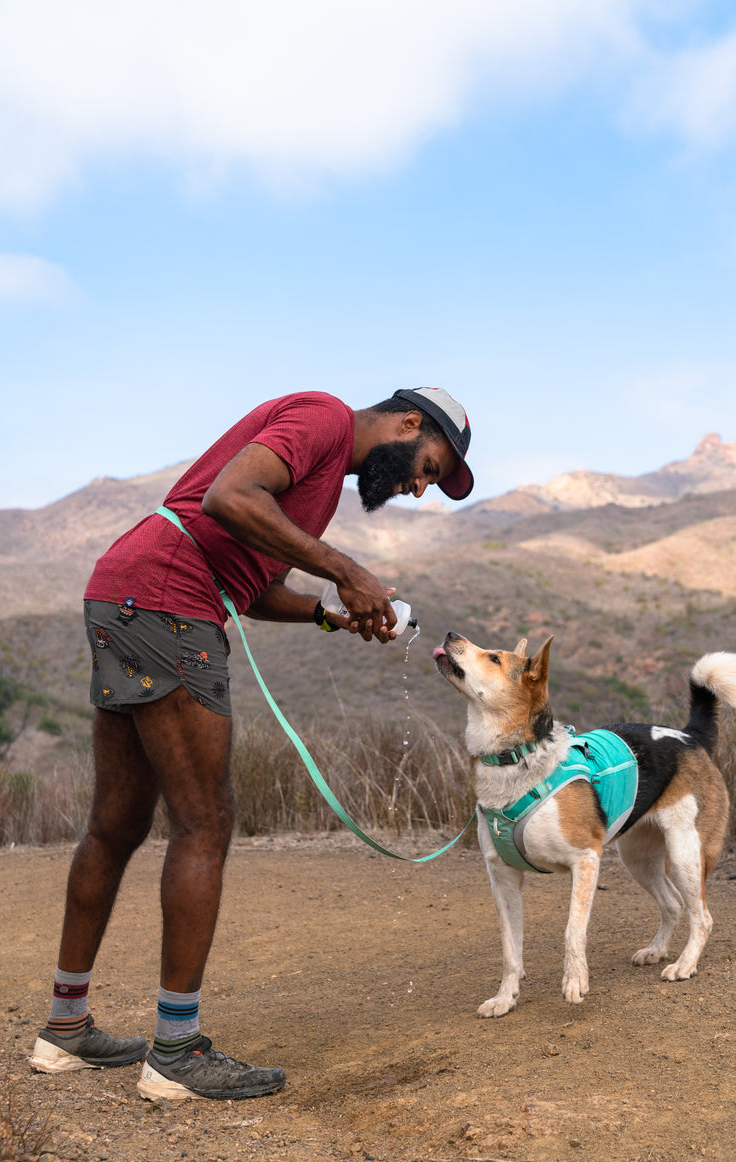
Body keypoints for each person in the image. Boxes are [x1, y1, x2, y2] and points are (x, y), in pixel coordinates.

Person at [29, 386, 473, 1102]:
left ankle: (65, 1025)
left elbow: (246, 579)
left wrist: (328, 614)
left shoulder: (322, 483)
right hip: (170, 602)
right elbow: (230, 498)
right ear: (410, 423)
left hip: (126, 588)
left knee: (117, 823)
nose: (422, 487)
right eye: (431, 466)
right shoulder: (326, 418)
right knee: (206, 820)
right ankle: (175, 1049)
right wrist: (346, 569)